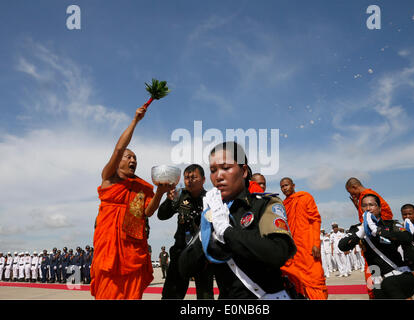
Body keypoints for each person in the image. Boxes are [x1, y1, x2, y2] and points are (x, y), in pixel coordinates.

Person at [179, 142, 297, 299]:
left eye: (226, 168)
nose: (218, 176)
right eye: (213, 170)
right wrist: (205, 231)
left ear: (244, 171)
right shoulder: (215, 213)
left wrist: (227, 231)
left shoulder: (264, 204)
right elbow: (185, 268)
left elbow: (278, 253)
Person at [90, 105, 174, 300]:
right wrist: (135, 121)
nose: (133, 160)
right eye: (129, 157)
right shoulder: (109, 178)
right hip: (108, 246)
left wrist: (160, 191)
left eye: (135, 158)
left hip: (133, 247)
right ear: (119, 160)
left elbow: (148, 212)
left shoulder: (142, 187)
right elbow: (119, 148)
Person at [339, 194, 414, 299]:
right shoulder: (356, 228)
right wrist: (359, 233)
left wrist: (378, 230)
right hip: (376, 275)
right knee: (377, 294)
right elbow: (342, 246)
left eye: (371, 205)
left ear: (379, 208)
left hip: (399, 271)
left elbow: (406, 237)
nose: (368, 208)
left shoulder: (390, 224)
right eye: (364, 205)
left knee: (390, 284)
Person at [158, 164, 214, 299]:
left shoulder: (211, 198)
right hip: (180, 251)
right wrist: (169, 200)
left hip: (203, 255)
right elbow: (162, 215)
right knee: (171, 295)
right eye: (187, 178)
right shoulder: (179, 195)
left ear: (203, 179)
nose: (190, 180)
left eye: (194, 177)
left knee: (206, 296)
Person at [279, 177, 327, 299]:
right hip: (295, 249)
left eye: (286, 185)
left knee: (315, 278)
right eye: (282, 187)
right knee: (296, 279)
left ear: (293, 185)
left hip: (309, 246)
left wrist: (316, 243)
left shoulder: (305, 197)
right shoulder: (283, 205)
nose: (285, 188)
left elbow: (315, 219)